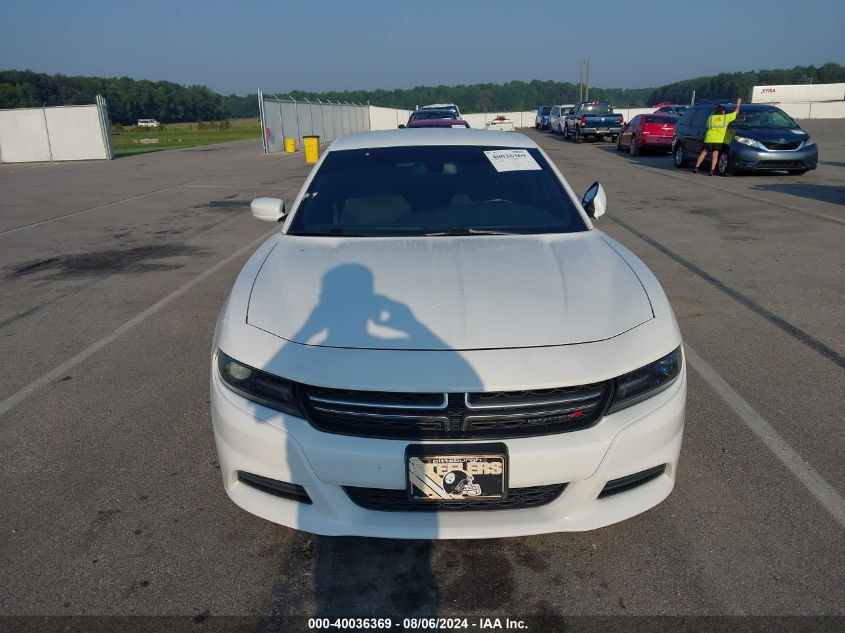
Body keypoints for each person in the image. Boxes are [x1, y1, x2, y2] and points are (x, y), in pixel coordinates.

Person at [693, 97, 742, 175]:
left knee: (703, 153)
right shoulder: (725, 117)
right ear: (723, 111)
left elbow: (707, 126)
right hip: (718, 140)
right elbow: (736, 112)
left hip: (709, 138)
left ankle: (696, 168)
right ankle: (711, 171)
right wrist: (738, 103)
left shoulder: (711, 117)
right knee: (715, 155)